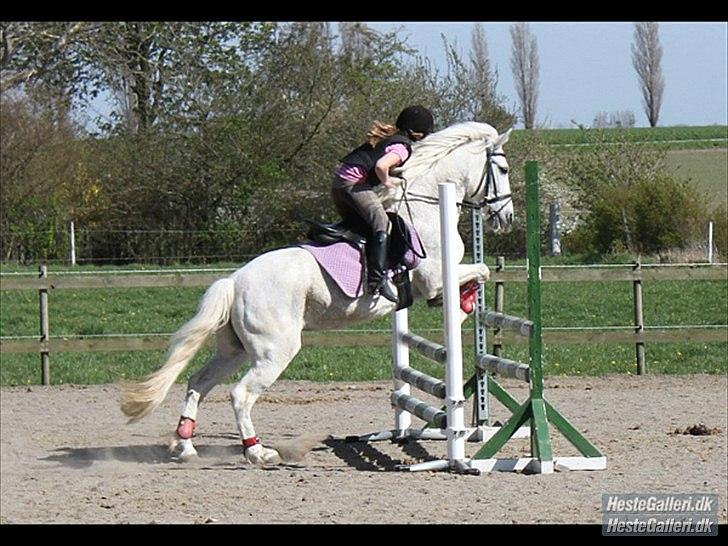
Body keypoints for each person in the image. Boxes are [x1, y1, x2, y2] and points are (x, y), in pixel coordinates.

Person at [331, 105, 434, 302]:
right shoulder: (402, 148)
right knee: (383, 223)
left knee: (363, 227)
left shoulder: (389, 138)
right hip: (353, 185)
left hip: (338, 184)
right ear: (417, 132)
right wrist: (387, 182)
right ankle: (375, 281)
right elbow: (381, 166)